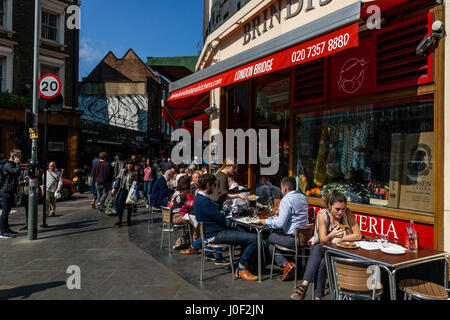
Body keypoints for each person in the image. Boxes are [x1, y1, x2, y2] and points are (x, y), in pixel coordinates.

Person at [181, 174, 259, 280]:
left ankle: (246, 262)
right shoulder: (204, 201)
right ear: (208, 185)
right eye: (214, 185)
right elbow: (221, 218)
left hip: (214, 231)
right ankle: (241, 268)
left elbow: (217, 213)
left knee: (243, 231)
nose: (215, 188)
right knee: (255, 238)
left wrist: (222, 211)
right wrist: (223, 212)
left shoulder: (200, 198)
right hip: (216, 234)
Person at [290, 189, 362, 300]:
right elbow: (323, 239)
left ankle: (304, 285)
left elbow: (358, 235)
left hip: (341, 251)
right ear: (329, 205)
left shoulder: (347, 213)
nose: (340, 212)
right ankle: (317, 297)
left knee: (318, 249)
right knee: (322, 259)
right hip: (324, 250)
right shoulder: (322, 215)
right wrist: (332, 235)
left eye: (343, 209)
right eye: (337, 209)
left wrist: (340, 239)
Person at [257, 177, 309, 281]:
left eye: (281, 188)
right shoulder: (303, 197)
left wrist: (265, 221)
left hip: (292, 239)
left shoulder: (286, 199)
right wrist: (281, 213)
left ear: (284, 188)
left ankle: (286, 264)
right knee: (272, 244)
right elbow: (295, 214)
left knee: (267, 237)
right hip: (303, 237)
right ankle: (288, 264)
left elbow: (280, 224)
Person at [168, 175, 200, 250]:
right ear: (187, 184)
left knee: (193, 220)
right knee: (198, 221)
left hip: (170, 216)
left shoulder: (176, 192)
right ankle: (195, 244)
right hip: (178, 217)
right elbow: (193, 205)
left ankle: (185, 240)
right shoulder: (186, 193)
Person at [0, 149, 22, 238]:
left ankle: (7, 228)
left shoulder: (11, 164)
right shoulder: (7, 165)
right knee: (5, 212)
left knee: (7, 211)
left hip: (10, 191)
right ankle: (2, 232)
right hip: (5, 191)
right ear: (13, 156)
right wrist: (17, 163)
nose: (20, 158)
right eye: (18, 156)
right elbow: (17, 172)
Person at [111, 160, 137, 228]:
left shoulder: (134, 173)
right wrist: (114, 188)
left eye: (130, 164)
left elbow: (137, 180)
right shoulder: (122, 171)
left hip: (130, 191)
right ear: (126, 165)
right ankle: (120, 221)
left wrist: (135, 182)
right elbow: (118, 180)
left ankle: (128, 220)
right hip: (123, 190)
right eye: (128, 164)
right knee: (121, 206)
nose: (129, 165)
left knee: (129, 207)